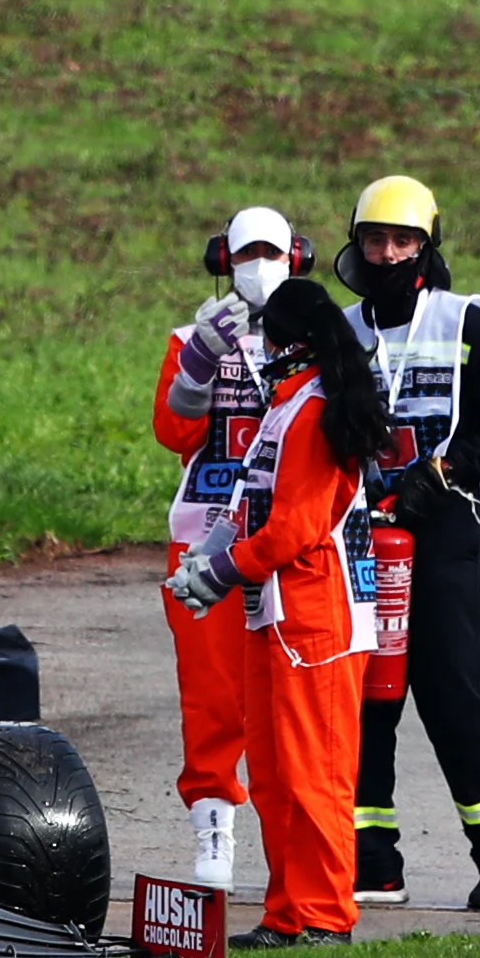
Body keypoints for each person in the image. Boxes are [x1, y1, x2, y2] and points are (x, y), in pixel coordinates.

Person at [332, 176, 480, 911]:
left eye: (402, 240)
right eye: (374, 239)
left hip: (443, 528)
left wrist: (442, 472)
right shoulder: (342, 333)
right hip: (358, 534)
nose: (387, 253)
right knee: (361, 698)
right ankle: (372, 861)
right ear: (355, 244)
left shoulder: (471, 326)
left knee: (453, 692)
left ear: (426, 246)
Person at [168, 279, 388, 949]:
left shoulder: (319, 410)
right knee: (271, 774)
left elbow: (294, 527)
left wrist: (225, 570)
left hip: (317, 618)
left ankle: (324, 916)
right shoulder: (284, 408)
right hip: (275, 614)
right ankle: (288, 911)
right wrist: (208, 556)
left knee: (312, 773)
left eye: (267, 334)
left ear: (288, 341)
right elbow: (246, 505)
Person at [151, 207, 312, 887]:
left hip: (284, 542)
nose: (259, 264)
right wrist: (199, 361)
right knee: (213, 700)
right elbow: (171, 431)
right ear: (225, 259)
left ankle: (298, 852)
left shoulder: (317, 337)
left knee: (289, 704)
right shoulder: (191, 336)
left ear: (295, 258)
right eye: (247, 253)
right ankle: (213, 831)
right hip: (202, 539)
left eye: (272, 252)